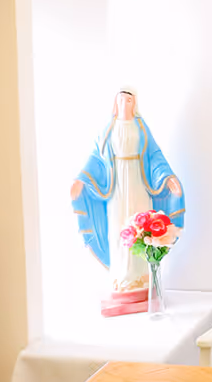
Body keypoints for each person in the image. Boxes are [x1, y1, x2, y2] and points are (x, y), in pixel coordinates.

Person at [70, 89, 185, 314]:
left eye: (129, 99)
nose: (125, 102)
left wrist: (168, 177)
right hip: (116, 191)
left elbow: (154, 156)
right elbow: (96, 159)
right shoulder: (108, 130)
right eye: (121, 99)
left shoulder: (141, 128)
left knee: (140, 228)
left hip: (138, 185)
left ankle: (142, 283)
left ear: (135, 103)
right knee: (119, 230)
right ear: (115, 102)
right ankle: (122, 281)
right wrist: (81, 180)